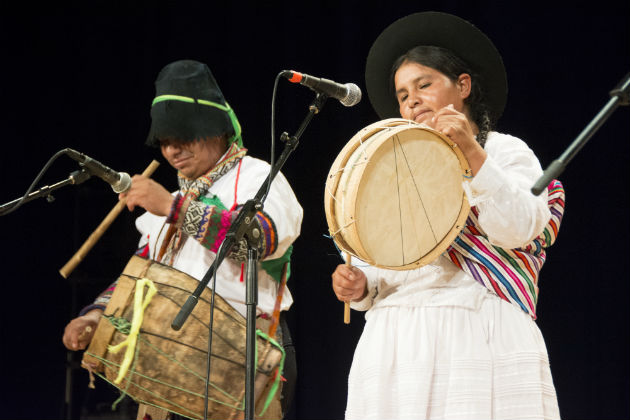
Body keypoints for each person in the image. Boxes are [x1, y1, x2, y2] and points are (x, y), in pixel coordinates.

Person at [331, 12, 565, 419]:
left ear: (463, 86)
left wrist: (473, 154)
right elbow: (378, 254)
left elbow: (522, 229)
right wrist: (361, 282)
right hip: (396, 340)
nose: (413, 99)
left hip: (477, 329)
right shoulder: (390, 167)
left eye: (425, 85)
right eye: (403, 95)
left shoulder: (505, 151)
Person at [62, 59, 303, 419]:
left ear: (216, 128)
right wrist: (98, 315)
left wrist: (172, 207)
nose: (172, 151)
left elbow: (258, 240)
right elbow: (140, 275)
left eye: (183, 137)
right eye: (165, 142)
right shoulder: (167, 203)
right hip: (170, 364)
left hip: (241, 357)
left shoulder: (257, 177)